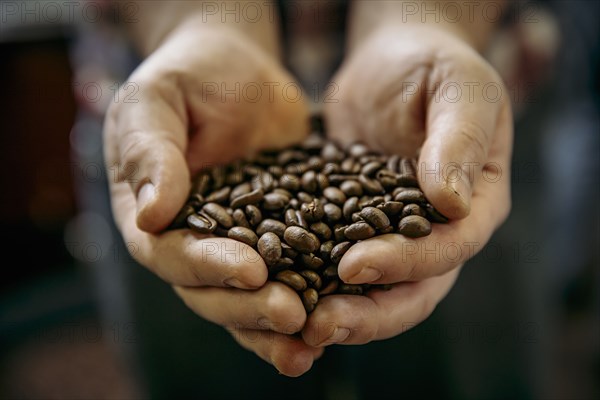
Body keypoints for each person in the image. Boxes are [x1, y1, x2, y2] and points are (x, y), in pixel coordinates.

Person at [103, 0, 512, 384]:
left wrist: (430, 15)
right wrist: (194, 20)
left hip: (434, 116)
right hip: (186, 130)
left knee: (456, 371)